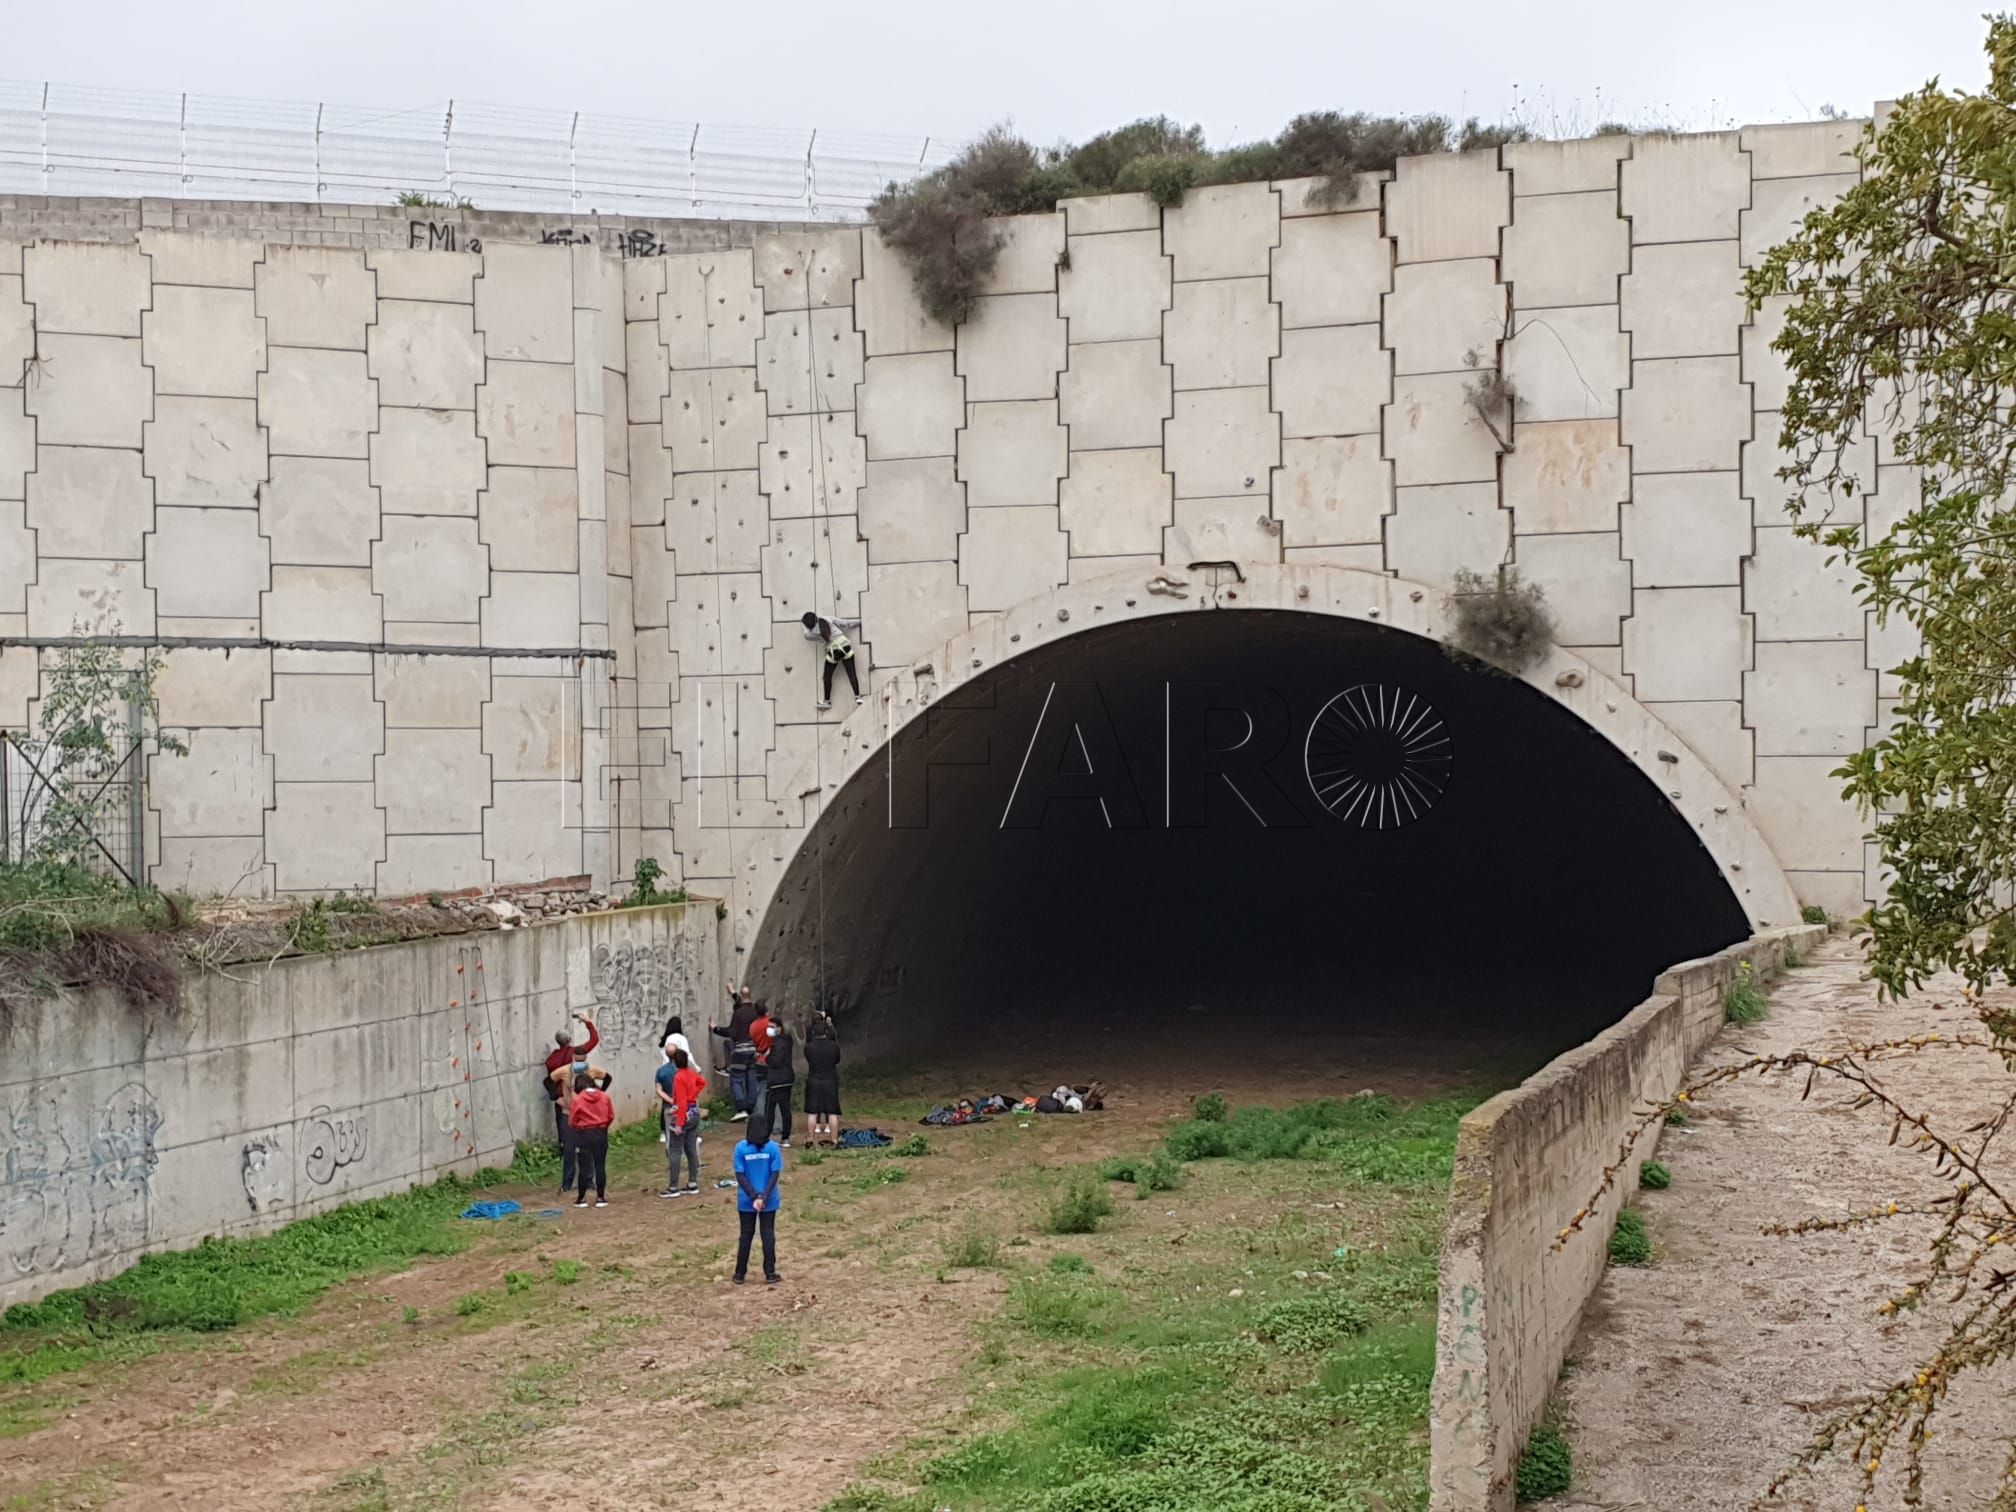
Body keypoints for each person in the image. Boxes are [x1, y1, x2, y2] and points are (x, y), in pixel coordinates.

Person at [543, 1011, 599, 1194]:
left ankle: (568, 1183)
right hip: (576, 1106)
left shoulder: (552, 1060)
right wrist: (588, 1022)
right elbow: (593, 1040)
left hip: (564, 1106)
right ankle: (587, 1181)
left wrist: (555, 1097)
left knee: (567, 1144)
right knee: (585, 1145)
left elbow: (548, 1081)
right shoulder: (575, 1056)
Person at [732, 1114, 784, 1285]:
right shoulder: (773, 1149)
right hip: (769, 1199)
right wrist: (764, 1197)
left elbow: (740, 1175)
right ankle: (770, 1272)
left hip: (746, 1200)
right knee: (768, 1234)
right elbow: (774, 1174)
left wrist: (754, 1197)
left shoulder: (741, 1148)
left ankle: (740, 1273)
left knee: (746, 1235)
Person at [657, 1047, 706, 1197]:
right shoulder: (691, 1073)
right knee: (691, 1148)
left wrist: (679, 1123)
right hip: (694, 1112)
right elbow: (702, 1082)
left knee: (675, 1150)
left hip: (682, 1113)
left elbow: (681, 1101)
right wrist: (694, 1094)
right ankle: (693, 1182)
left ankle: (673, 1186)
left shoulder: (678, 1077)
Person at [711, 986, 761, 1121]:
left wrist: (716, 1029)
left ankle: (741, 1108)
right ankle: (751, 1107)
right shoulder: (756, 1011)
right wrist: (733, 993)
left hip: (741, 1051)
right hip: (754, 1051)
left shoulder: (738, 1013)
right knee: (751, 1078)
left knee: (737, 1080)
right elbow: (741, 1002)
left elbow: (732, 1033)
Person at [569, 1072, 615, 1208]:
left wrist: (579, 1127)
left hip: (584, 1134)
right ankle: (600, 1197)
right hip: (601, 1132)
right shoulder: (605, 1096)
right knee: (600, 1165)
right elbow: (611, 1115)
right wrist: (603, 1125)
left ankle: (581, 1198)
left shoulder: (578, 1100)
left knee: (584, 1167)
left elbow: (572, 1120)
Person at [801, 611, 862, 711]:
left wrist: (804, 625)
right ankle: (858, 697)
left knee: (827, 677)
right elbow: (846, 623)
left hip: (834, 651)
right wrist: (860, 621)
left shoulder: (811, 633)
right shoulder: (827, 618)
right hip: (846, 646)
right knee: (852, 674)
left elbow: (805, 634)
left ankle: (827, 702)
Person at [804, 1012, 842, 1147]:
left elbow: (808, 1052)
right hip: (830, 1080)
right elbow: (837, 1059)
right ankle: (834, 1140)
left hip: (814, 1079)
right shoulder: (833, 1046)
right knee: (832, 1112)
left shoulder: (809, 1047)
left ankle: (810, 1139)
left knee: (812, 1112)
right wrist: (830, 1026)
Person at [762, 1016, 797, 1147]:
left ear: (779, 1028)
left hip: (776, 1080)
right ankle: (786, 1137)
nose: (769, 1030)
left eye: (772, 1027)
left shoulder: (777, 1044)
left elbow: (776, 1061)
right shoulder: (787, 1041)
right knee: (785, 1108)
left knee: (769, 1109)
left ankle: (765, 1137)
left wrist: (767, 1057)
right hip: (787, 1079)